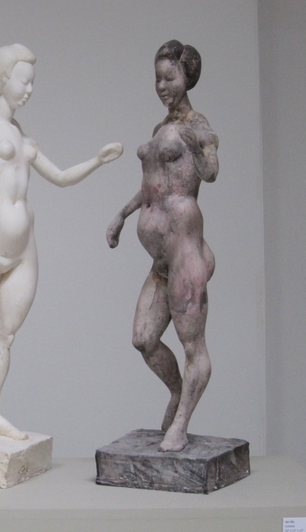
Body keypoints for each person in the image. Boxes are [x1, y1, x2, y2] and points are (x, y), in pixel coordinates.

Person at [0, 44, 123, 440]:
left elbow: (62, 177)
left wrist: (97, 161)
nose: (29, 90)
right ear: (3, 80)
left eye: (33, 83)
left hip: (24, 251)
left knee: (5, 336)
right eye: (24, 81)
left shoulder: (26, 140)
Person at [106, 40, 219, 452]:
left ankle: (181, 423)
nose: (162, 86)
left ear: (187, 76)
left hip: (186, 251)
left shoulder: (198, 125)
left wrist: (202, 145)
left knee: (193, 345)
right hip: (160, 260)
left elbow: (210, 172)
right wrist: (122, 214)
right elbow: (151, 187)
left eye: (169, 77)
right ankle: (176, 391)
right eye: (158, 78)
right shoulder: (159, 131)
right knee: (143, 338)